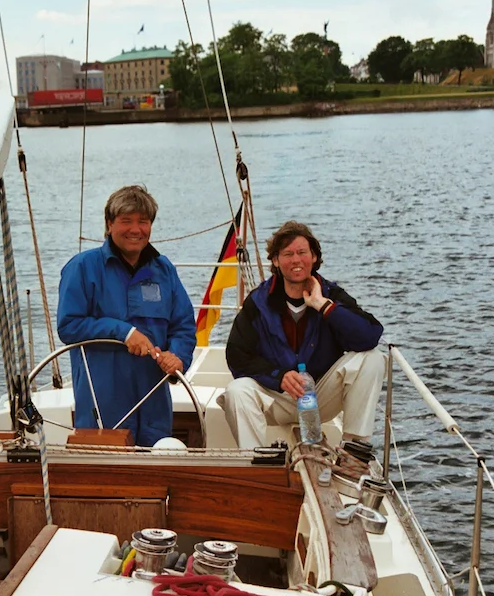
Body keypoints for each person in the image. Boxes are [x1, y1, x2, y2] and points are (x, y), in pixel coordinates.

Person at [221, 220, 384, 447]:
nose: (296, 260)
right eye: (288, 254)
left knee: (373, 358)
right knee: (237, 390)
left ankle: (353, 451)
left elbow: (369, 336)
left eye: (302, 252)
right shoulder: (258, 302)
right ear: (276, 261)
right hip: (277, 398)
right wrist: (278, 377)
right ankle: (255, 458)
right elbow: (237, 356)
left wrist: (323, 306)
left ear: (314, 257)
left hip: (320, 396)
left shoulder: (330, 295)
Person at [57, 185, 196, 447]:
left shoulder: (164, 270)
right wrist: (124, 332)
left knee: (157, 463)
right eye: (126, 221)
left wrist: (177, 356)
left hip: (154, 400)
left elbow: (184, 326)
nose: (135, 229)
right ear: (109, 224)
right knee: (104, 468)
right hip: (102, 401)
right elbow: (69, 326)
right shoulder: (82, 268)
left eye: (143, 221)